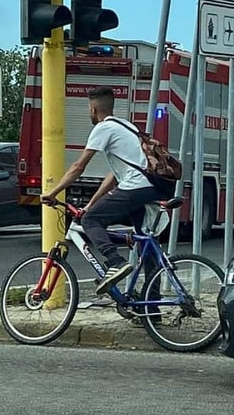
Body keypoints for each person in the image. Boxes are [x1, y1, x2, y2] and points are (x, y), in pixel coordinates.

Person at [41, 85, 166, 295]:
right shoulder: (126, 126)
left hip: (135, 186)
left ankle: (115, 262)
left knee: (91, 221)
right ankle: (152, 308)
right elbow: (114, 176)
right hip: (150, 186)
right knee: (146, 242)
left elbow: (78, 166)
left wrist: (53, 192)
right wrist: (90, 205)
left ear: (93, 109)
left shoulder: (103, 129)